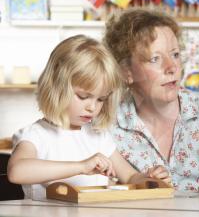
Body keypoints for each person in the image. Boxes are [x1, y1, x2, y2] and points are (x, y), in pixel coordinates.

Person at [7, 35, 170, 200]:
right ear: (56, 86)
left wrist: (150, 180)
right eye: (83, 96)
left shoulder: (98, 137)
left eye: (101, 99)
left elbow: (130, 177)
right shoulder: (36, 135)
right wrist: (81, 166)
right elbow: (17, 172)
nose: (92, 107)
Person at [103, 9, 199, 191]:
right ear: (125, 72)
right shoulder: (107, 122)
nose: (172, 67)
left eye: (175, 54)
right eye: (155, 59)